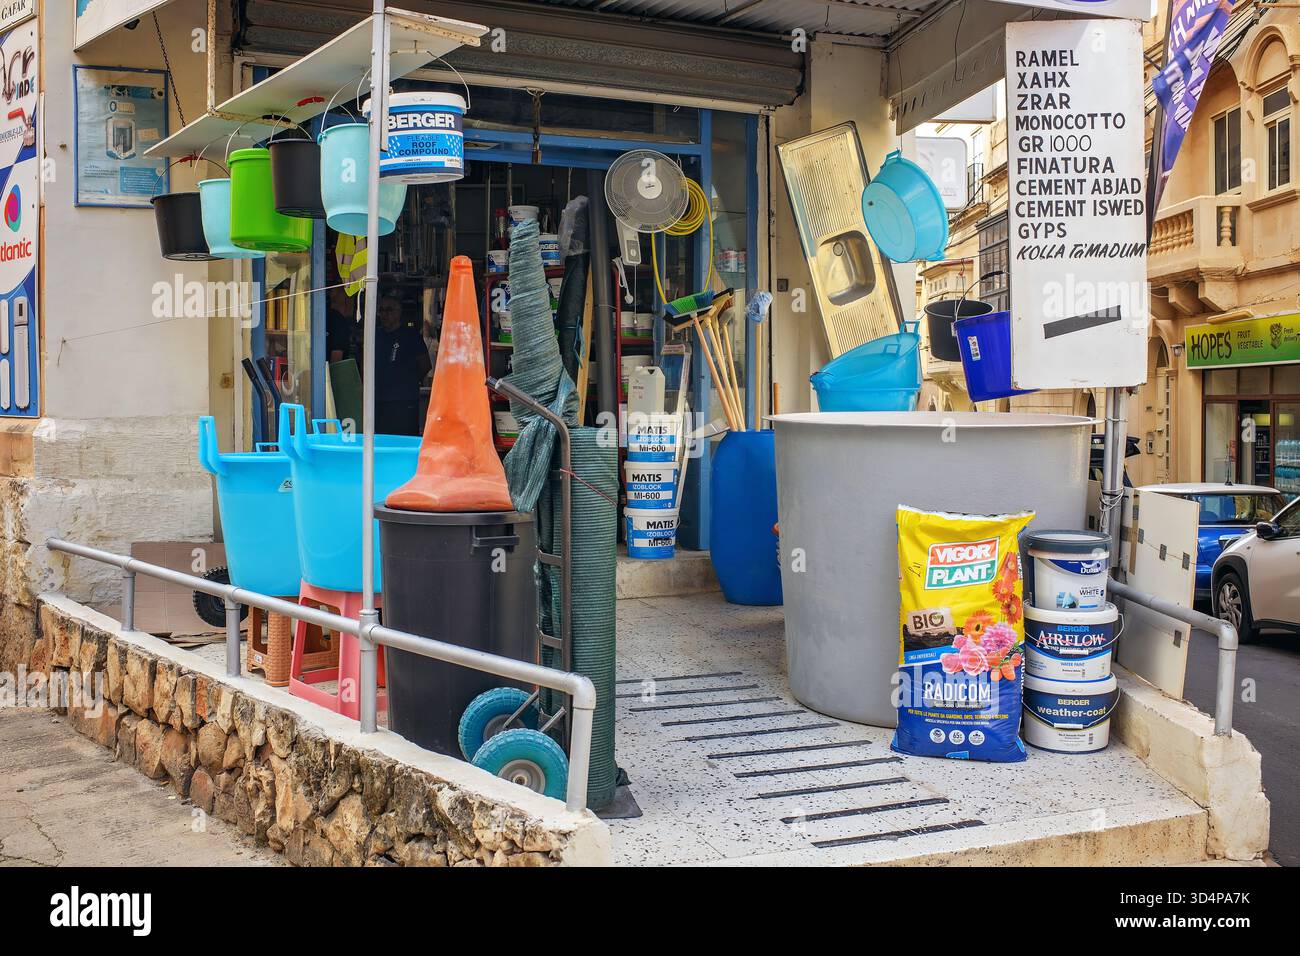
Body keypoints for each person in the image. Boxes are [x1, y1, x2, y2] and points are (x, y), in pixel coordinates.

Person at [373, 295, 431, 436]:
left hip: (404, 401)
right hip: (379, 400)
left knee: (405, 439)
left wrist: (408, 380)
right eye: (381, 310)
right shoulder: (375, 335)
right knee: (382, 440)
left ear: (399, 313)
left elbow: (425, 364)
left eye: (389, 310)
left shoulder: (411, 335)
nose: (385, 314)